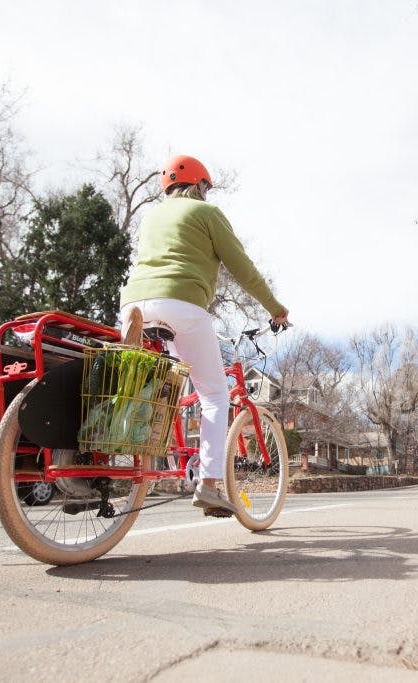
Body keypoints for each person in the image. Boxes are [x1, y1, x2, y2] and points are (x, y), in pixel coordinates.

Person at [120, 154, 289, 516]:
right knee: (213, 395)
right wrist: (275, 308)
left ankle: (121, 461)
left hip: (133, 304)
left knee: (146, 389)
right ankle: (209, 485)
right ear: (197, 185)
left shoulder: (149, 219)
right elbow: (242, 268)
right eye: (206, 188)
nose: (207, 195)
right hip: (181, 304)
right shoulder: (206, 214)